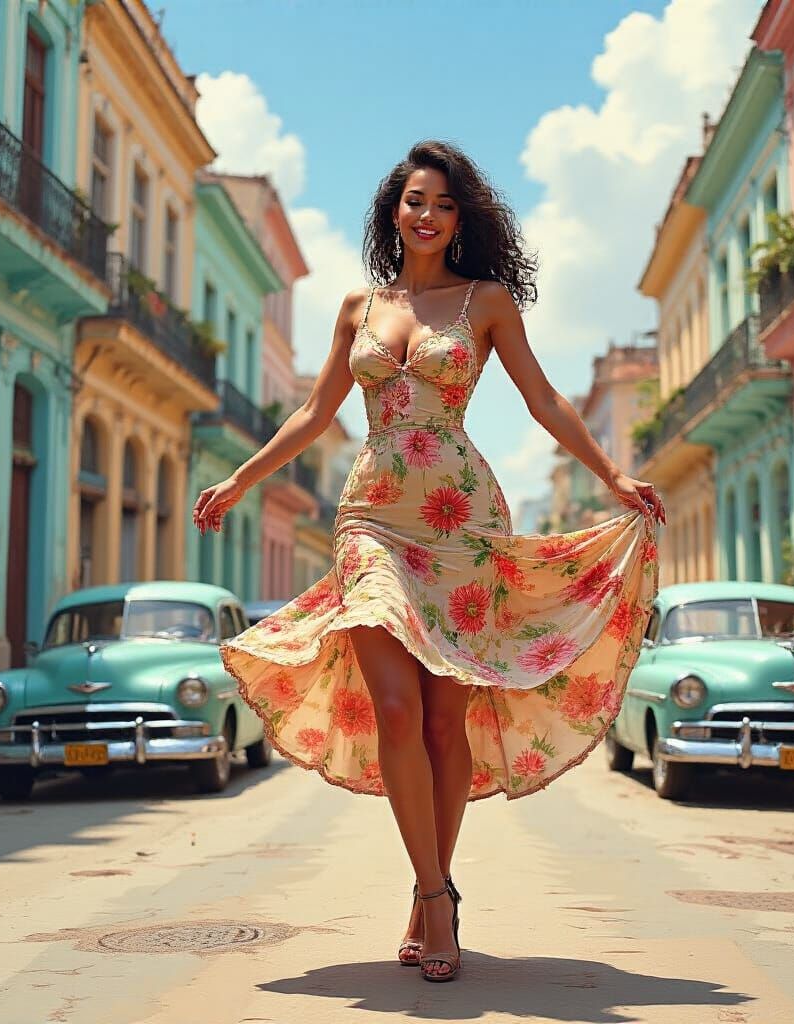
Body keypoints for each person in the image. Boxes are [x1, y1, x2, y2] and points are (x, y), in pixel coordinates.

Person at [192, 140, 666, 983]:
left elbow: (543, 396)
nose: (428, 214)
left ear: (460, 219)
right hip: (373, 518)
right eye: (415, 200)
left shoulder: (486, 302)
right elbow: (314, 413)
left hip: (460, 523)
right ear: (393, 211)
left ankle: (428, 893)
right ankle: (437, 893)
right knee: (399, 714)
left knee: (447, 725)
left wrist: (612, 473)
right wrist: (239, 477)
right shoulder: (357, 307)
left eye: (444, 203)